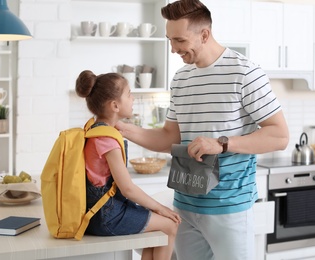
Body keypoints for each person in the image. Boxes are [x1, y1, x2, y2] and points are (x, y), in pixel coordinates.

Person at [115, 0, 289, 259]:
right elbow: (168, 138)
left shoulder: (245, 73)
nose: (173, 49)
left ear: (204, 34)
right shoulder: (181, 79)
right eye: (169, 40)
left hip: (229, 208)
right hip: (184, 206)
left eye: (180, 40)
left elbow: (279, 135)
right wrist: (121, 128)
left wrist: (222, 143)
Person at [75, 70, 181, 260]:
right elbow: (128, 189)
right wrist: (161, 208)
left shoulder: (96, 129)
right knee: (170, 224)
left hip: (96, 212)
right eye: (129, 94)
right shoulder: (106, 139)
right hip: (106, 216)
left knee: (155, 232)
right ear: (115, 105)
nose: (132, 99)